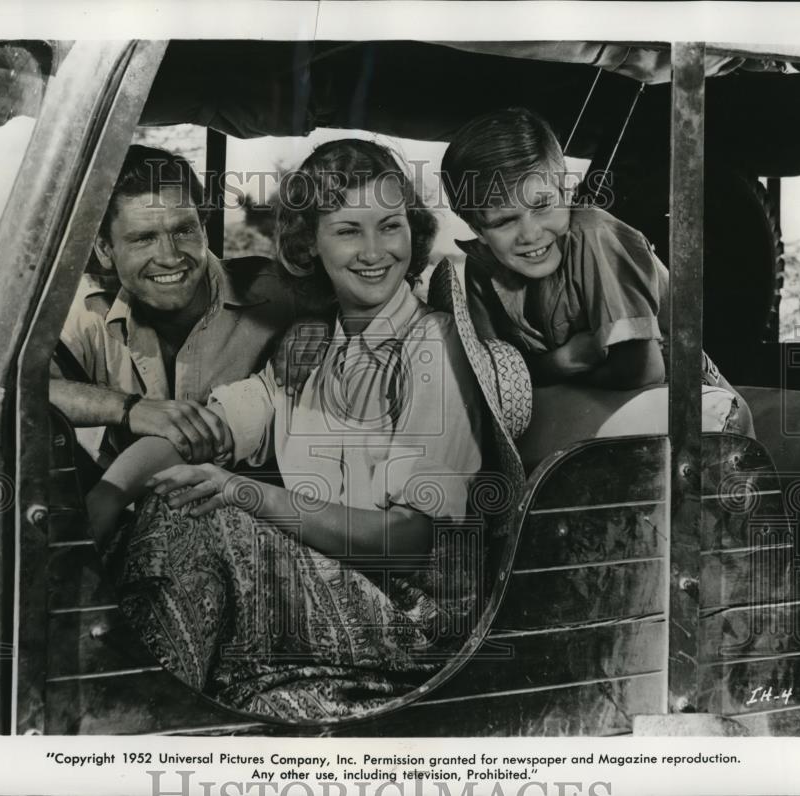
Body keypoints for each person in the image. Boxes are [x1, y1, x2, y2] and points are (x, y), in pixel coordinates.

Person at [86, 139, 486, 720]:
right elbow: (191, 432)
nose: (375, 252)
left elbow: (413, 540)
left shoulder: (435, 344)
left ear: (413, 233)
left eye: (390, 227)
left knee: (200, 511)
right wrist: (101, 505)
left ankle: (142, 720)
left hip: (411, 619)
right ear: (310, 244)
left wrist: (247, 492)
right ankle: (140, 713)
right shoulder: (309, 350)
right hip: (322, 591)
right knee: (169, 498)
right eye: (348, 230)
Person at [439, 108, 753, 436]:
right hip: (590, 406)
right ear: (477, 227)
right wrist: (564, 361)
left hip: (695, 408)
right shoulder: (481, 266)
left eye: (542, 205)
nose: (530, 234)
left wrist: (549, 374)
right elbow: (497, 378)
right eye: (504, 221)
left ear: (566, 191)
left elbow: (644, 369)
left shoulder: (595, 235)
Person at [49, 144, 330, 467]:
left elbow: (364, 304)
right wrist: (129, 409)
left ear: (204, 226)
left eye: (183, 230)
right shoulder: (85, 310)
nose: (170, 257)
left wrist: (315, 321)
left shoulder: (275, 290)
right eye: (144, 238)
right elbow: (16, 392)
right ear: (104, 249)